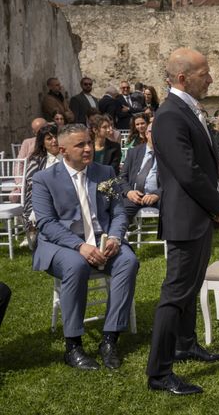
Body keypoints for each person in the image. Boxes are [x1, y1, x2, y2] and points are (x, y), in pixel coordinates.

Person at [146, 48, 219, 396]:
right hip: (186, 217)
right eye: (204, 73)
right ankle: (159, 372)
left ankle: (185, 344)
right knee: (174, 294)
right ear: (182, 78)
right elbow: (187, 171)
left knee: (190, 287)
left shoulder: (186, 109)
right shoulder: (169, 115)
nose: (211, 79)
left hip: (197, 215)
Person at [31, 124, 139, 370]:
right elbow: (47, 224)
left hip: (102, 240)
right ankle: (73, 346)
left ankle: (110, 338)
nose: (89, 148)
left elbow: (119, 212)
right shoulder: (44, 179)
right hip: (61, 244)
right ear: (63, 150)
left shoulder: (105, 172)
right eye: (81, 145)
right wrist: (80, 246)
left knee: (127, 261)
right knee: (76, 265)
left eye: (89, 142)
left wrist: (114, 237)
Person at [22, 124, 62, 244]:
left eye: (56, 137)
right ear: (43, 143)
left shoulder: (68, 158)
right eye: (49, 138)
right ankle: (36, 233)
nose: (54, 141)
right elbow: (31, 182)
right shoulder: (36, 159)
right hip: (43, 196)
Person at [119, 122, 160, 222]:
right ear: (146, 134)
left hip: (157, 197)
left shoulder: (167, 154)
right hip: (134, 197)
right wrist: (129, 192)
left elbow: (171, 180)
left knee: (174, 208)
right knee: (120, 213)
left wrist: (157, 195)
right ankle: (116, 236)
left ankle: (171, 237)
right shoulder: (133, 152)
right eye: (152, 132)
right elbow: (122, 177)